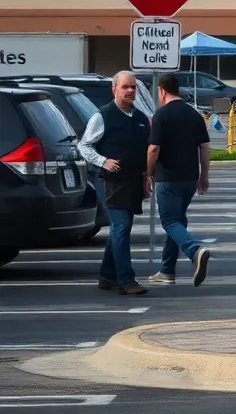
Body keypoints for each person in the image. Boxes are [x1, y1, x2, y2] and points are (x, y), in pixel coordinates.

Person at [76, 71, 151, 296]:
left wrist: (148, 174)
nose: (130, 91)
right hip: (111, 181)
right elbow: (85, 146)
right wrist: (104, 161)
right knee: (121, 227)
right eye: (125, 87)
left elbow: (145, 149)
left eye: (133, 87)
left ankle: (106, 275)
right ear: (114, 89)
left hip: (134, 181)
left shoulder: (140, 118)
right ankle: (125, 280)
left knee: (121, 228)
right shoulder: (103, 116)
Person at [145, 74, 214, 287]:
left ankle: (194, 251)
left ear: (162, 91)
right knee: (177, 221)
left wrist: (148, 174)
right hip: (189, 178)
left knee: (169, 221)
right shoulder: (194, 115)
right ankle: (167, 270)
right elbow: (204, 147)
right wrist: (204, 175)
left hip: (168, 178)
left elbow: (153, 148)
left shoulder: (161, 115)